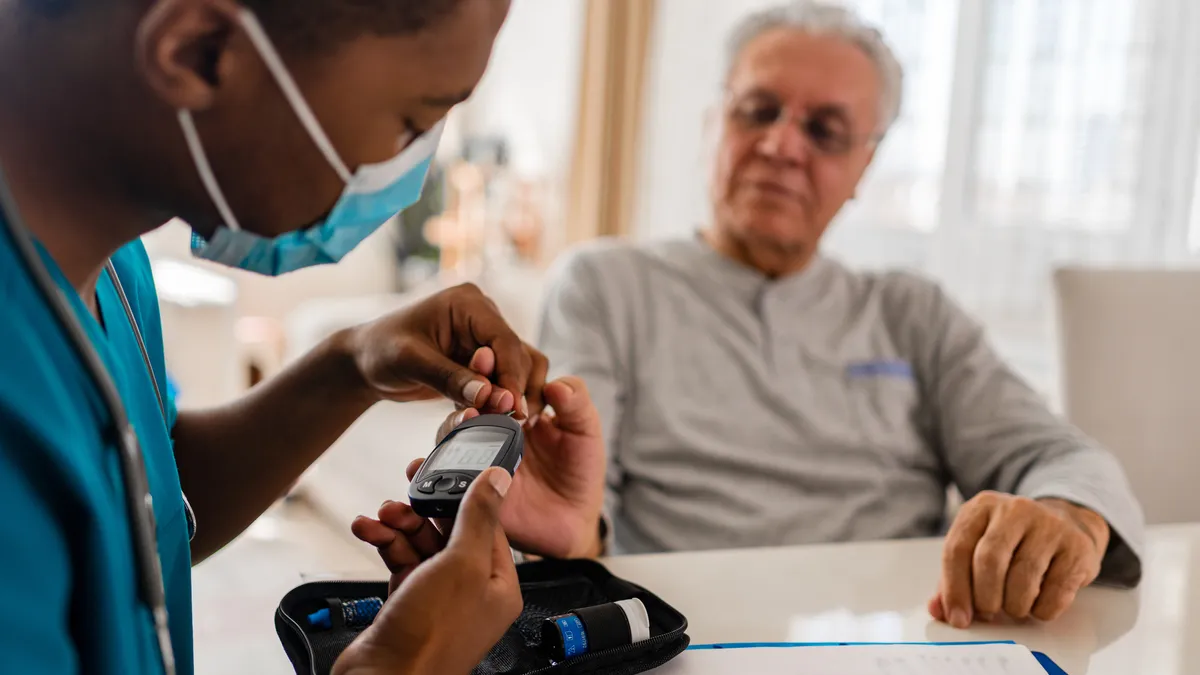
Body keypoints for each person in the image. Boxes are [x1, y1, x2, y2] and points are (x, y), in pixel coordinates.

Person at [0, 1, 605, 674]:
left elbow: (140, 502)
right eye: (413, 120)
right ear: (197, 51)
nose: (404, 176)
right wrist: (402, 662)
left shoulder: (109, 259)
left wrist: (351, 365)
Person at [535, 0, 1145, 629]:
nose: (780, 146)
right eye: (758, 110)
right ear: (713, 121)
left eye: (824, 131)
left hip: (902, 640)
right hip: (685, 635)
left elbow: (1064, 459)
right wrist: (570, 536)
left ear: (865, 165)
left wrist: (1068, 519)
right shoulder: (606, 286)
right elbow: (579, 509)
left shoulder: (913, 312)